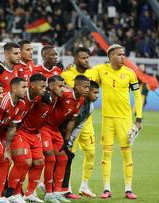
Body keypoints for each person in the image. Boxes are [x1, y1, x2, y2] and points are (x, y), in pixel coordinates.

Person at [90, 44, 142, 199]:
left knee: (127, 154)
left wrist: (138, 118)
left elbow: (138, 96)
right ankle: (106, 188)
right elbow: (85, 76)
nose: (123, 57)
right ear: (111, 56)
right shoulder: (100, 70)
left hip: (125, 119)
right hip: (107, 119)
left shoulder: (130, 73)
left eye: (124, 54)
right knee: (106, 155)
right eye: (119, 54)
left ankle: (128, 189)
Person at [41, 75, 89, 203]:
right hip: (45, 127)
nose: (87, 90)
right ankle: (48, 192)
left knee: (63, 158)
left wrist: (67, 139)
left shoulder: (81, 100)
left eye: (88, 87)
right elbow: (50, 95)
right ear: (76, 86)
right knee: (50, 158)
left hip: (56, 130)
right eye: (84, 87)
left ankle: (57, 192)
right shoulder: (64, 94)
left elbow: (72, 120)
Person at [5, 73, 47, 203]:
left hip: (30, 132)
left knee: (40, 161)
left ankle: (29, 193)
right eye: (42, 86)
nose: (45, 89)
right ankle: (12, 193)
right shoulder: (21, 98)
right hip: (18, 131)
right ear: (32, 85)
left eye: (45, 87)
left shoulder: (36, 98)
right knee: (25, 161)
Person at [60, 47, 96, 198]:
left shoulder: (94, 73)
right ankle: (65, 186)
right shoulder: (66, 74)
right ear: (75, 60)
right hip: (70, 123)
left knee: (91, 153)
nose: (86, 60)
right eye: (83, 58)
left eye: (88, 57)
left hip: (86, 122)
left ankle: (84, 186)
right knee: (68, 155)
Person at [0, 77, 27, 202]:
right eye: (24, 87)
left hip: (6, 133)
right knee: (4, 161)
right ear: (14, 88)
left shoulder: (21, 104)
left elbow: (13, 127)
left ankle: (11, 194)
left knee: (21, 160)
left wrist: (6, 148)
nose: (26, 90)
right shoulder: (3, 102)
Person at [62, 80, 100, 199]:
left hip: (70, 134)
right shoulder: (75, 101)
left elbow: (79, 125)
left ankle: (71, 188)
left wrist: (70, 140)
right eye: (94, 92)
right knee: (58, 159)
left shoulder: (91, 107)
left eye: (97, 93)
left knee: (68, 158)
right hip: (60, 131)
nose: (96, 96)